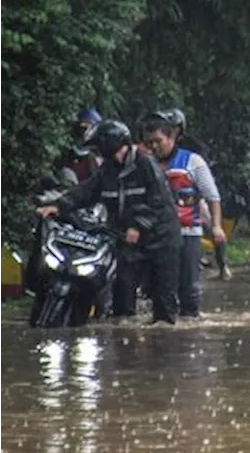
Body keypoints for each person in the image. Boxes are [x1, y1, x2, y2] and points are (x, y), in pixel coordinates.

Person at [37, 120, 182, 324]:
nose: (95, 152)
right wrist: (59, 206)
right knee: (122, 294)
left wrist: (138, 226)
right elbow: (86, 191)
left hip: (161, 239)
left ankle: (163, 339)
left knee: (163, 301)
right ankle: (123, 338)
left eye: (97, 147)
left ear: (108, 143)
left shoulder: (145, 164)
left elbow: (159, 202)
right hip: (127, 239)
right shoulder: (108, 170)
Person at [139, 109, 225, 317]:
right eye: (149, 142)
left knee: (188, 289)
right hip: (156, 236)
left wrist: (215, 226)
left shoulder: (192, 162)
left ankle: (188, 327)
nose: (154, 147)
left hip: (187, 233)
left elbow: (212, 196)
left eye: (158, 141)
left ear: (172, 137)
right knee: (156, 290)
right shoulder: (143, 163)